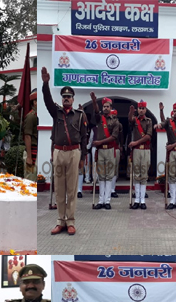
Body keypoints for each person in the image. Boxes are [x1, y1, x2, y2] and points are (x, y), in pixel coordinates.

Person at [41, 68, 88, 235]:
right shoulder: (56, 113)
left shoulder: (80, 115)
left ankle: (71, 221)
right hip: (59, 153)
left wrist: (83, 157)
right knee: (59, 188)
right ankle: (60, 221)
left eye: (69, 97)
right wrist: (45, 84)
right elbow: (47, 101)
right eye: (64, 97)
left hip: (74, 153)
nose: (66, 99)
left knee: (72, 189)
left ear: (73, 99)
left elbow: (84, 137)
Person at [89, 93, 121, 210]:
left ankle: (107, 200)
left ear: (111, 108)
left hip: (110, 150)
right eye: (104, 106)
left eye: (108, 106)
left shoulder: (115, 121)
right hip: (101, 151)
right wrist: (94, 102)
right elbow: (96, 113)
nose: (106, 108)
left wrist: (99, 142)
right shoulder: (99, 119)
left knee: (109, 176)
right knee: (101, 176)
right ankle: (101, 200)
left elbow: (114, 137)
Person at [159, 102, 176, 210]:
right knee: (171, 176)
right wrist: (161, 111)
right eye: (174, 111)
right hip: (171, 153)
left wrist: (172, 146)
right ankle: (172, 201)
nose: (175, 113)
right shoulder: (169, 122)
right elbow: (162, 123)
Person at [128, 101, 153, 210]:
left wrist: (136, 142)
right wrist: (130, 112)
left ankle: (142, 200)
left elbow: (148, 136)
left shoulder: (149, 121)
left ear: (145, 110)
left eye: (143, 108)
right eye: (140, 108)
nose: (141, 110)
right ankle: (137, 200)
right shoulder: (135, 120)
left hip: (145, 150)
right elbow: (130, 120)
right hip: (137, 151)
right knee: (136, 174)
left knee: (144, 174)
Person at [21, 91, 38, 177]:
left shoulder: (37, 115)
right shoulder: (31, 116)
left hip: (36, 151)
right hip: (32, 152)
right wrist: (29, 157)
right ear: (34, 102)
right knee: (30, 178)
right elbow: (27, 136)